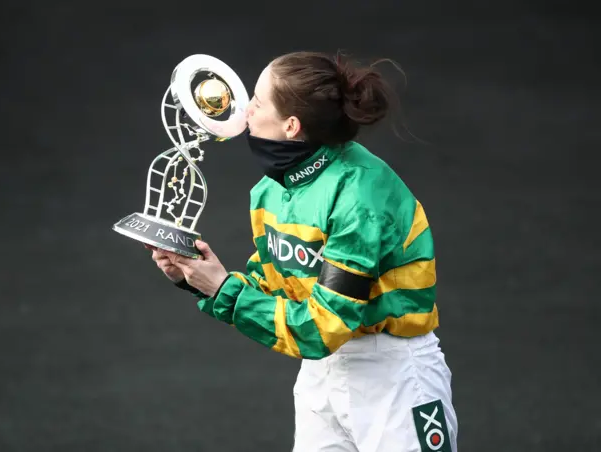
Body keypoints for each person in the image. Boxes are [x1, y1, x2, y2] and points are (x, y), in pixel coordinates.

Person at [147, 51, 458, 452]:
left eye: (256, 101)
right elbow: (279, 289)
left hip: (393, 377)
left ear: (291, 126)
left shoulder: (360, 197)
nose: (245, 109)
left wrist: (224, 289)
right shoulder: (270, 190)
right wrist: (198, 278)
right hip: (321, 375)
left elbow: (325, 325)